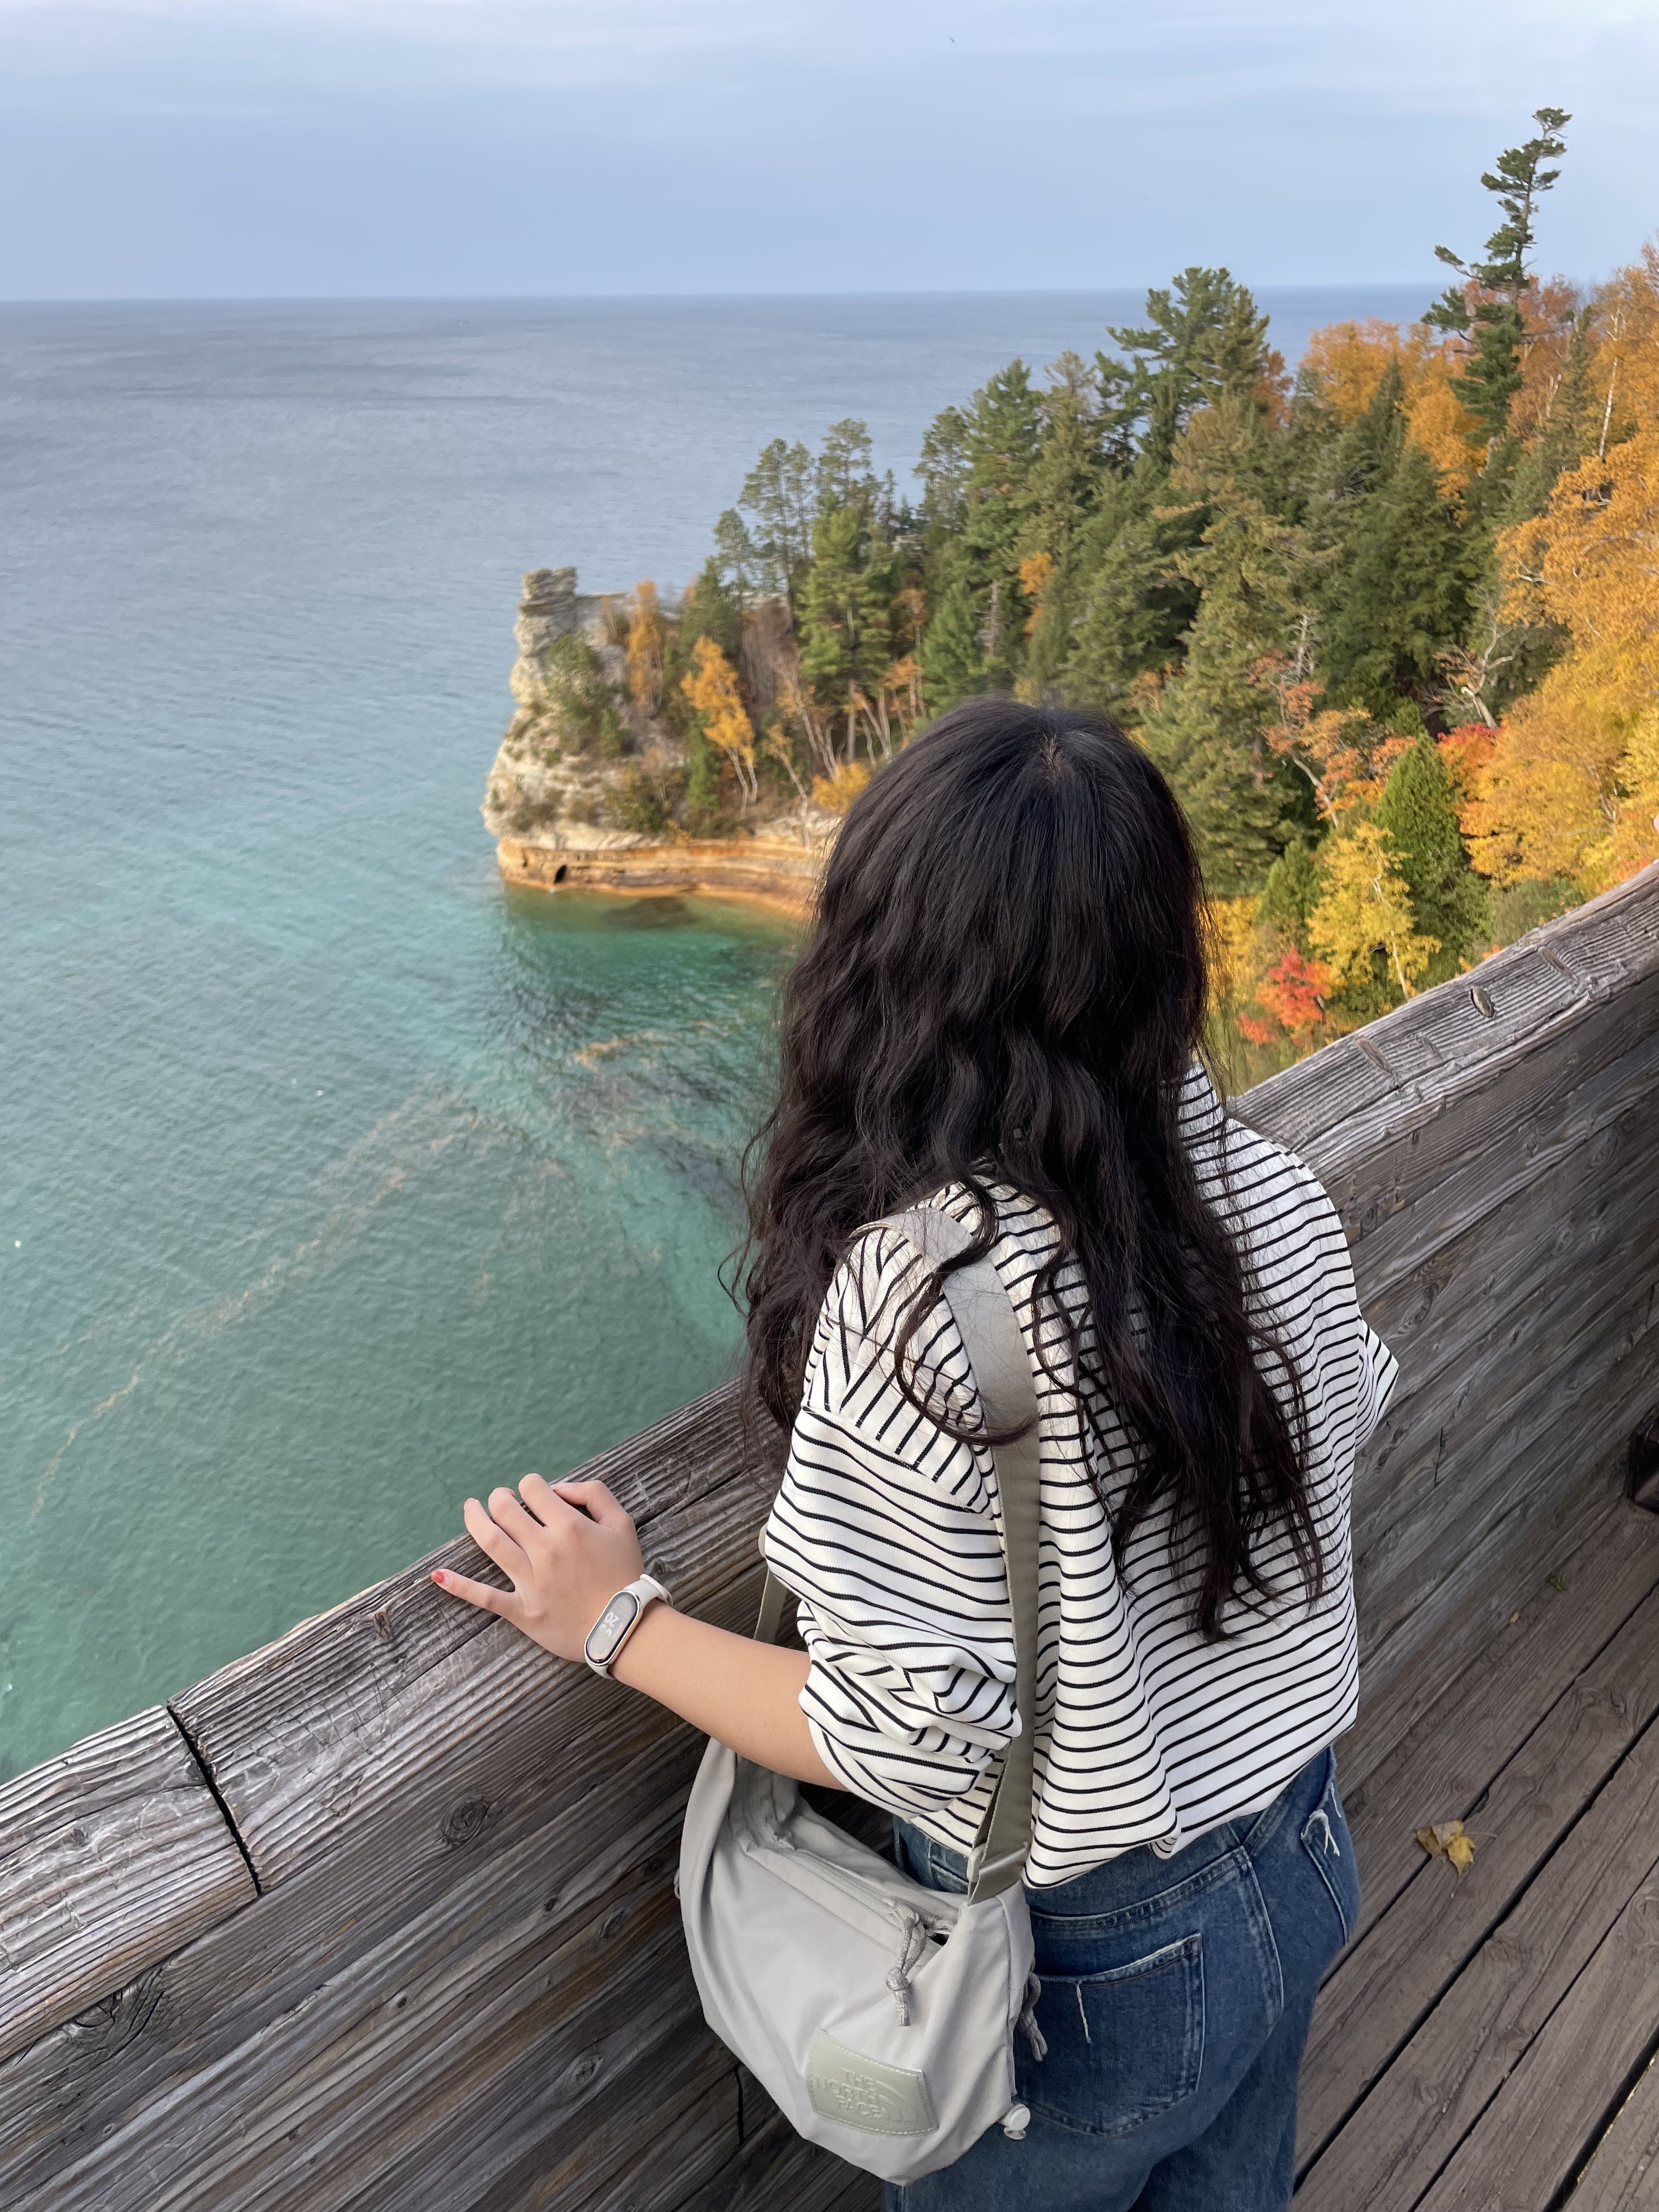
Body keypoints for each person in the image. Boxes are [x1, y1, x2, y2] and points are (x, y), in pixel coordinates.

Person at [435, 701, 1397, 2211]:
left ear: (886, 963)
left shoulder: (928, 1303)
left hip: (1093, 1965)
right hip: (1303, 1844)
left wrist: (614, 1622)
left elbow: (893, 1737)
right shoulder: (1262, 1192)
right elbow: (1331, 1454)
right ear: (1164, 951)